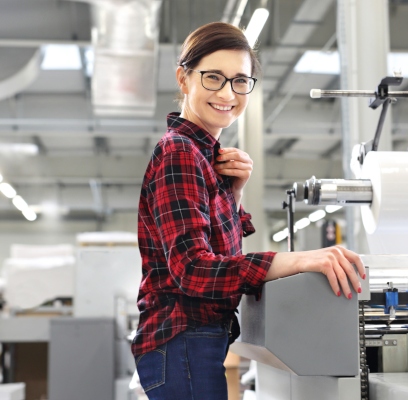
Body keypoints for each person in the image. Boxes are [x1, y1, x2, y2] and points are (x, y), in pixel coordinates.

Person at [131, 21, 365, 400]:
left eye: (240, 80)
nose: (228, 92)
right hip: (182, 339)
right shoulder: (180, 152)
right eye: (213, 78)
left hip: (192, 340)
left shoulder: (205, 158)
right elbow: (193, 270)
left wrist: (233, 194)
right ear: (183, 78)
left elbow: (221, 256)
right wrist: (298, 260)